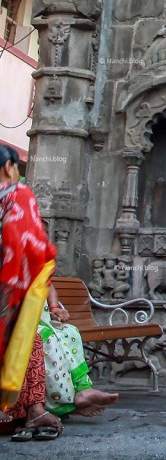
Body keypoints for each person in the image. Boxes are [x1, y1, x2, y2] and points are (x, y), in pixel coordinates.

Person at [0, 144, 62, 440]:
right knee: (26, 340)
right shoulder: (18, 196)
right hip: (8, 287)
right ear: (10, 167)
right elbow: (33, 246)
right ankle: (31, 412)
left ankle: (29, 412)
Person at [39, 284, 118, 417]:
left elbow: (47, 283)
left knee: (70, 332)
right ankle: (67, 406)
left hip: (44, 320)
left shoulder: (37, 267)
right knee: (49, 339)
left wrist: (55, 307)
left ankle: (83, 389)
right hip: (21, 322)